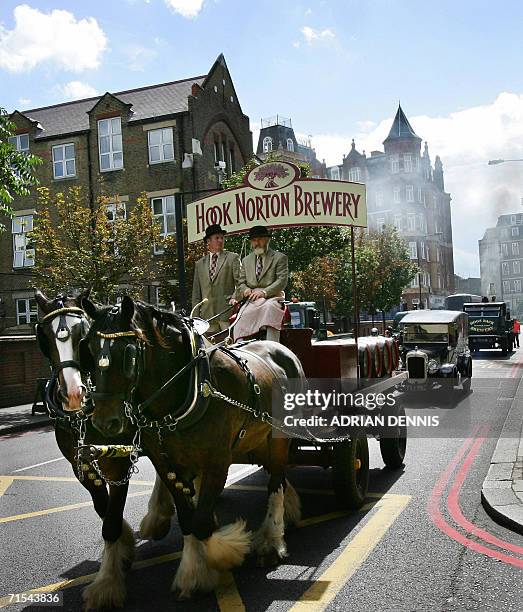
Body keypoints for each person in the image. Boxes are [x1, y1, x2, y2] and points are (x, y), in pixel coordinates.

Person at [233, 225, 288, 342]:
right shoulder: (246, 260)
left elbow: (282, 281)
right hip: (252, 300)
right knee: (241, 315)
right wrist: (246, 290)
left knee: (270, 309)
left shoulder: (280, 258)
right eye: (254, 240)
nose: (256, 243)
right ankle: (239, 348)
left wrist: (264, 292)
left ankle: (273, 346)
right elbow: (241, 283)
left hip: (272, 297)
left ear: (267, 239)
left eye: (260, 239)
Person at [191, 224, 240, 336]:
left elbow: (241, 283)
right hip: (207, 317)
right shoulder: (199, 264)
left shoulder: (232, 258)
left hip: (226, 313)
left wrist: (234, 298)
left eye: (222, 238)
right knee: (210, 351)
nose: (220, 240)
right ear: (208, 241)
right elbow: (196, 294)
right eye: (217, 238)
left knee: (229, 348)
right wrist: (196, 318)